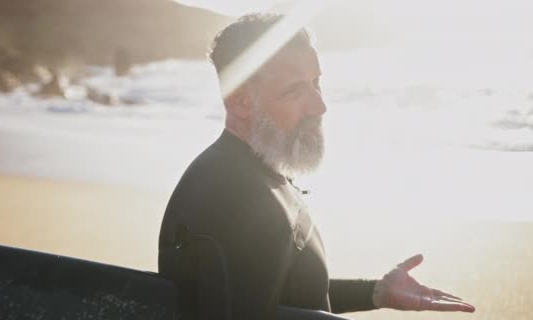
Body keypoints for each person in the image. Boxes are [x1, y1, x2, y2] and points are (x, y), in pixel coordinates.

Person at [158, 13, 476, 320]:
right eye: (294, 90)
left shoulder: (247, 175)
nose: (320, 106)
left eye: (316, 82)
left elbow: (277, 297)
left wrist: (374, 293)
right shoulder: (236, 201)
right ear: (240, 101)